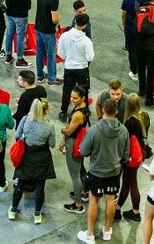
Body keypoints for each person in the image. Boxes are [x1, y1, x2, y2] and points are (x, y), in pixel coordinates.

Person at [76, 97, 130, 244]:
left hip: (96, 172)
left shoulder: (94, 130)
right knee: (110, 199)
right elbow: (126, 155)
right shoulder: (124, 130)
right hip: (114, 172)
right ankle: (107, 230)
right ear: (117, 111)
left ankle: (90, 234)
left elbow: (83, 151)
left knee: (93, 200)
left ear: (103, 110)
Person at [8, 98, 56, 224]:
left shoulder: (25, 119)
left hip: (26, 156)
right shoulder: (50, 126)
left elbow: (17, 136)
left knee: (20, 183)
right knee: (40, 186)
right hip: (42, 158)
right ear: (46, 110)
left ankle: (13, 210)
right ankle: (37, 214)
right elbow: (52, 144)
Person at [117, 94, 148, 222]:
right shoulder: (144, 117)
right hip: (140, 152)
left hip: (131, 156)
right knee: (128, 182)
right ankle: (118, 208)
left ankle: (135, 212)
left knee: (131, 183)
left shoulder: (129, 122)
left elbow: (125, 141)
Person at [58, 12, 94, 121]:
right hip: (82, 68)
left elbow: (60, 53)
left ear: (75, 22)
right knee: (83, 89)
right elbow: (90, 57)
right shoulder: (86, 41)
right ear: (85, 25)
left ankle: (64, 110)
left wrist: (68, 58)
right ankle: (84, 109)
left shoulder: (64, 36)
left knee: (67, 89)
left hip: (69, 67)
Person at [61, 84, 90, 214]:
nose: (72, 100)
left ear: (82, 98)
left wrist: (62, 131)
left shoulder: (78, 114)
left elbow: (69, 131)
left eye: (75, 98)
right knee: (81, 169)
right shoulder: (82, 108)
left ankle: (78, 204)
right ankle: (84, 192)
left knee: (75, 175)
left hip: (73, 144)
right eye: (71, 97)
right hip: (80, 142)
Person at [35, 0, 67, 86]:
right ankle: (52, 79)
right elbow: (55, 19)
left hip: (38, 28)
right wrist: (58, 22)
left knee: (39, 52)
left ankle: (39, 75)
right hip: (48, 31)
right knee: (51, 55)